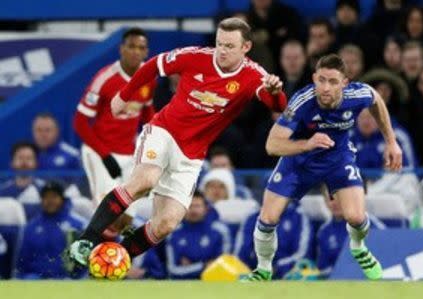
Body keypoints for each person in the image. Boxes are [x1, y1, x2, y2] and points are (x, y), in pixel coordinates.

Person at [68, 17, 287, 269]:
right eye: (219, 44)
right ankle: (85, 241)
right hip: (164, 131)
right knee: (144, 181)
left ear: (245, 47)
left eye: (229, 46)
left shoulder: (253, 75)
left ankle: (115, 259)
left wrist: (275, 92)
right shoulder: (195, 56)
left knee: (166, 223)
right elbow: (153, 65)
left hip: (192, 154)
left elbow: (277, 106)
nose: (222, 51)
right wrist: (124, 95)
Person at [240, 54, 402, 281]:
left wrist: (391, 141)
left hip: (338, 158)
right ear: (314, 78)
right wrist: (308, 143)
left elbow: (376, 100)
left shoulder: (358, 94)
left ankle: (358, 247)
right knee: (267, 219)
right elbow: (272, 145)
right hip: (299, 161)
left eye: (333, 82)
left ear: (345, 83)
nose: (325, 88)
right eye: (322, 80)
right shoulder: (301, 102)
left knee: (356, 217)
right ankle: (264, 270)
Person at [73, 27, 156, 236]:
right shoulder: (105, 79)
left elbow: (147, 112)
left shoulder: (149, 77)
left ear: (146, 52)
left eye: (141, 48)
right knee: (107, 214)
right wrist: (104, 155)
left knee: (127, 218)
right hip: (99, 151)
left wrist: (155, 141)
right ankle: (88, 254)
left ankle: (113, 261)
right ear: (121, 49)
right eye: (131, 46)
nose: (136, 51)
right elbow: (80, 122)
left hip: (129, 153)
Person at [15, 182, 86, 279]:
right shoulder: (30, 227)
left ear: (62, 199)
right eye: (46, 197)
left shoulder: (78, 225)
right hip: (36, 283)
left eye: (54, 196)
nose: (50, 201)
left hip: (67, 282)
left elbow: (84, 263)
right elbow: (22, 262)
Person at [316, 187, 386, 278]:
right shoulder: (324, 231)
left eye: (338, 198)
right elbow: (323, 267)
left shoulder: (371, 225)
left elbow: (386, 254)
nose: (334, 203)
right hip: (337, 284)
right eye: (329, 199)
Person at [165, 191, 231, 279]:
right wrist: (203, 266)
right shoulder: (173, 233)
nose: (193, 210)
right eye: (189, 206)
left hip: (214, 284)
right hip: (183, 287)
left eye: (197, 206)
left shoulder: (220, 231)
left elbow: (224, 266)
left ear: (206, 208)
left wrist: (189, 267)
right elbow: (172, 270)